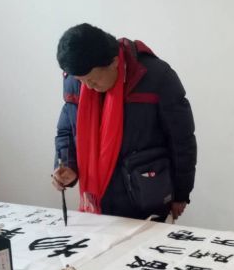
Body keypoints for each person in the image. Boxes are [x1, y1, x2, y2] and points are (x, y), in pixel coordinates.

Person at [51, 23, 196, 221]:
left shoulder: (157, 77)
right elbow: (67, 130)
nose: (87, 87)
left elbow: (182, 140)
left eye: (93, 80)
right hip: (98, 200)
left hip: (147, 195)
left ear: (114, 62)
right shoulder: (76, 81)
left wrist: (181, 193)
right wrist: (66, 164)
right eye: (81, 81)